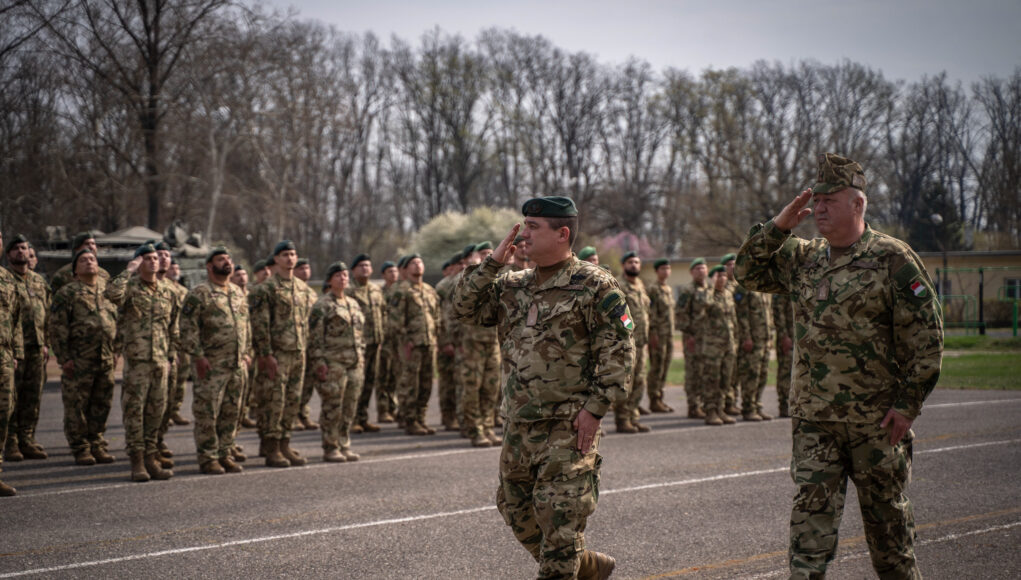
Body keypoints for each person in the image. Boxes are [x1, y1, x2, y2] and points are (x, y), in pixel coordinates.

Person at [735, 153, 943, 579]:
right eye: (817, 199)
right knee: (808, 543)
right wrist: (778, 227)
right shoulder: (803, 258)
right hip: (816, 422)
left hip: (877, 424)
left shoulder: (892, 259)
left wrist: (906, 407)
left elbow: (928, 340)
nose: (820, 208)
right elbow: (747, 272)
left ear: (858, 204)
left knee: (891, 543)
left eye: (831, 199)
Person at [452, 196, 632, 579]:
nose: (522, 233)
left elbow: (620, 350)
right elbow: (464, 307)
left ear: (562, 233)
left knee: (560, 523)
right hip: (519, 423)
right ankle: (579, 564)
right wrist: (493, 261)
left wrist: (595, 409)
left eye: (533, 227)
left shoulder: (594, 284)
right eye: (523, 224)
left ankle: (564, 562)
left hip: (567, 426)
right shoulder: (512, 285)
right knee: (513, 506)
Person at [106, 244, 179, 481]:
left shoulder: (168, 290)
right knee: (134, 412)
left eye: (155, 258)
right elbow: (112, 294)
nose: (153, 261)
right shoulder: (130, 288)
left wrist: (170, 356)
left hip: (160, 361)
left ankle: (151, 458)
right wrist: (129, 269)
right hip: (138, 362)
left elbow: (173, 327)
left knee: (156, 412)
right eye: (147, 258)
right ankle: (137, 462)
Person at [179, 247, 251, 474]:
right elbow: (187, 328)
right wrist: (198, 356)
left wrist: (247, 352)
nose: (227, 262)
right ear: (209, 266)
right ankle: (208, 457)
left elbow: (245, 325)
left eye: (228, 259)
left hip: (236, 364)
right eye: (221, 259)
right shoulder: (199, 293)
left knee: (232, 411)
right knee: (207, 412)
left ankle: (225, 453)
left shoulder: (238, 292)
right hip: (212, 364)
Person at [48, 249, 118, 467]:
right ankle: (80, 448)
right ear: (75, 269)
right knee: (77, 406)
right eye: (83, 260)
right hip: (79, 360)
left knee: (102, 403)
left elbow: (116, 321)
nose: (89, 262)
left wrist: (116, 351)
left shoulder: (106, 290)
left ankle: (97, 443)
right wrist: (64, 357)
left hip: (105, 358)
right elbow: (57, 327)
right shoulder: (67, 293)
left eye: (92, 259)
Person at [249, 240, 312, 468]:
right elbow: (260, 324)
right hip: (276, 354)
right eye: (285, 255)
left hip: (298, 352)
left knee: (292, 402)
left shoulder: (303, 288)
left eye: (293, 254)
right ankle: (271, 446)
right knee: (273, 402)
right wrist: (266, 354)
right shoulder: (266, 289)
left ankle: (285, 443)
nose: (290, 258)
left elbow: (307, 322)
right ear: (276, 259)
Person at [309, 262, 366, 462]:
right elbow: (315, 338)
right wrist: (319, 363)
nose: (343, 278)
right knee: (333, 406)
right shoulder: (322, 305)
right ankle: (330, 446)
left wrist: (361, 356)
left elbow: (360, 335)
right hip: (333, 363)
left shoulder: (353, 303)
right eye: (338, 276)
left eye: (345, 275)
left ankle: (344, 443)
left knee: (349, 407)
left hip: (354, 362)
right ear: (330, 280)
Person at [4, 235, 50, 460]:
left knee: (33, 397)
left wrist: (46, 343)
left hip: (37, 349)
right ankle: (11, 443)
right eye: (16, 249)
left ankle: (27, 439)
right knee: (12, 397)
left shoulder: (38, 281)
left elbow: (47, 315)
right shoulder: (6, 280)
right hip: (15, 350)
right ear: (8, 254)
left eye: (24, 248)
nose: (21, 252)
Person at [387, 254, 440, 435]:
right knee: (410, 383)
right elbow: (395, 320)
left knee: (426, 383)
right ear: (406, 269)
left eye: (419, 262)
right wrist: (406, 341)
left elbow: (436, 317)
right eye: (413, 263)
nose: (417, 265)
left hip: (429, 343)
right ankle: (409, 419)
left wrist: (436, 339)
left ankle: (420, 418)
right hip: (411, 345)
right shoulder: (401, 291)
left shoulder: (429, 290)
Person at [456, 243, 501, 447]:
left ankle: (488, 427)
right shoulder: (469, 278)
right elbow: (458, 309)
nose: (487, 257)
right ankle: (475, 430)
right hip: (472, 342)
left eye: (490, 254)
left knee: (491, 388)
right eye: (483, 255)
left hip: (493, 342)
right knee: (472, 388)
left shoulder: (499, 279)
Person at [345, 254, 387, 431]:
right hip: (358, 345)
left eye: (368, 265)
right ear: (353, 270)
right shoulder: (349, 290)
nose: (365, 269)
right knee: (356, 383)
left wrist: (383, 336)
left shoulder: (376, 290)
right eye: (361, 266)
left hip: (375, 343)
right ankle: (351, 419)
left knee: (370, 382)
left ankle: (362, 417)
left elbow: (383, 313)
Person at [694, 265, 737, 426]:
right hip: (713, 346)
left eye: (724, 276)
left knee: (726, 380)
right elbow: (704, 304)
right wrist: (710, 286)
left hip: (728, 344)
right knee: (712, 379)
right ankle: (710, 411)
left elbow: (733, 320)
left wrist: (736, 340)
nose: (722, 278)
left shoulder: (727, 295)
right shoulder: (707, 294)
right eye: (718, 276)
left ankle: (720, 409)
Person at [615, 251, 651, 433]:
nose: (634, 265)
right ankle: (622, 419)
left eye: (637, 262)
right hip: (627, 342)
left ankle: (633, 416)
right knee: (626, 382)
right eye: (630, 262)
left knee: (640, 381)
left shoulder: (640, 286)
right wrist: (629, 328)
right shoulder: (619, 286)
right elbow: (620, 313)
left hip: (642, 342)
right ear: (624, 265)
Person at [0, 229, 25, 496]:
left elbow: (15, 319)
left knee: (3, 413)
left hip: (4, 357)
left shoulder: (7, 279)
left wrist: (15, 352)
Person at [733, 266, 773, 421]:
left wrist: (769, 337)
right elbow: (741, 316)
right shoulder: (744, 287)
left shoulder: (765, 287)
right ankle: (748, 408)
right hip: (752, 340)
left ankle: (757, 405)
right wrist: (746, 337)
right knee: (751, 374)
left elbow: (769, 315)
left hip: (764, 338)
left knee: (762, 374)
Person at [433, 251, 466, 433]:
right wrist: (444, 341)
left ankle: (456, 416)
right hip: (446, 339)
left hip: (461, 339)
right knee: (447, 382)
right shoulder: (444, 286)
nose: (462, 267)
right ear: (451, 267)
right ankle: (448, 416)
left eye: (464, 263)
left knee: (458, 380)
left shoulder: (461, 283)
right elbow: (441, 316)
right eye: (458, 264)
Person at [674, 258, 708, 418]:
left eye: (703, 268)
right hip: (693, 338)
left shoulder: (710, 289)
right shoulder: (687, 291)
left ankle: (703, 403)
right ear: (691, 272)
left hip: (709, 339)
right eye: (697, 269)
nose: (701, 271)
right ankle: (693, 406)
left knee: (704, 372)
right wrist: (689, 336)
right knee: (693, 372)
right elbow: (680, 315)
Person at [645, 258, 675, 413]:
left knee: (665, 366)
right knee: (656, 367)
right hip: (658, 335)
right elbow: (650, 313)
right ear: (657, 271)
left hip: (668, 335)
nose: (666, 271)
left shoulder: (668, 289)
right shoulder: (653, 289)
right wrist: (653, 334)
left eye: (668, 268)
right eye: (663, 268)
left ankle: (660, 399)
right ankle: (653, 399)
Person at [772, 292, 795, 417]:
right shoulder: (782, 289)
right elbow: (778, 314)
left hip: (797, 337)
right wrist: (784, 336)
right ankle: (784, 404)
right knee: (785, 371)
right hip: (787, 338)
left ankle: (792, 403)